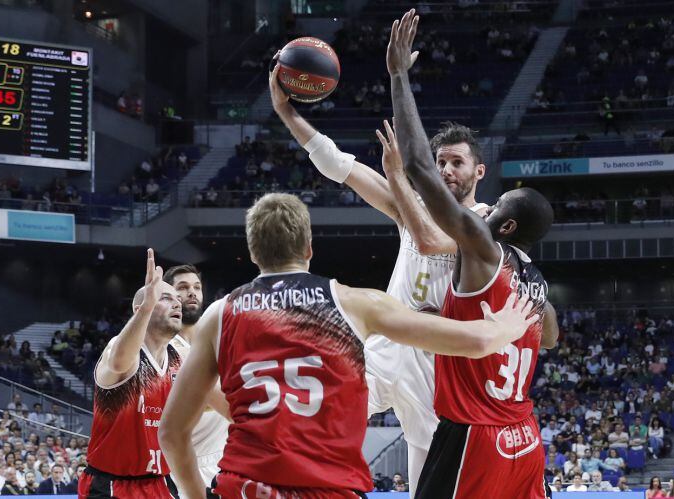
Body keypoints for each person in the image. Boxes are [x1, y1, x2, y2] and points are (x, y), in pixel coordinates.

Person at [266, 42, 540, 493]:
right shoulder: (412, 206)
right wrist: (287, 113)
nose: (447, 170)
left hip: (440, 366)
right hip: (387, 345)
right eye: (440, 163)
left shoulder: (487, 224)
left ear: (479, 173)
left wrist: (398, 181)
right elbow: (340, 166)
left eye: (457, 163)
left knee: (425, 487)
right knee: (308, 416)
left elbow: (432, 243)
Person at [159, 193, 538, 498]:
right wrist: (507, 325)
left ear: (254, 252)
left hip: (246, 486)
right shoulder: (354, 303)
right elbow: (473, 344)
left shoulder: (219, 315)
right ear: (309, 247)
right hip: (328, 487)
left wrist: (194, 495)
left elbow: (172, 433)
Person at [388, 11, 556, 498]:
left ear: (503, 226)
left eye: (495, 207)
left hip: (474, 433)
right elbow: (549, 339)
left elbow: (421, 166)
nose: (485, 207)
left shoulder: (484, 247)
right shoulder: (537, 283)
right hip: (523, 432)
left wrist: (399, 76)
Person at [79, 249, 185, 498]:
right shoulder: (120, 348)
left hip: (161, 483)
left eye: (176, 299)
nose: (177, 302)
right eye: (166, 298)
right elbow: (119, 363)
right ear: (140, 306)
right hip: (114, 486)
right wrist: (146, 309)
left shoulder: (178, 359)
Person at [162, 264, 230, 495]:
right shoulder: (162, 348)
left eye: (196, 287)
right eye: (182, 287)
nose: (192, 292)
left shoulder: (219, 339)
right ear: (167, 295)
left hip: (224, 462)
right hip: (181, 466)